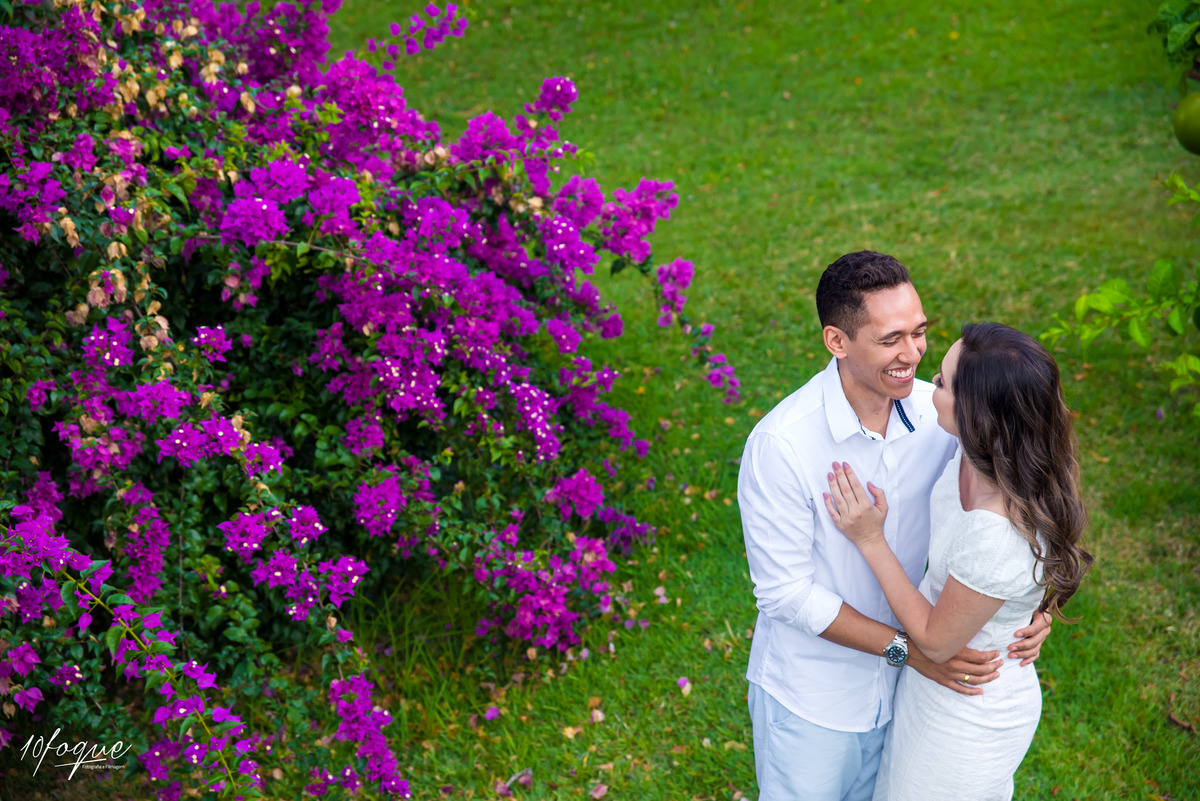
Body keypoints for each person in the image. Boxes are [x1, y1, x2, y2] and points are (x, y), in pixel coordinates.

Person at [737, 251, 1052, 800]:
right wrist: (913, 651)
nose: (912, 355)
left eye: (920, 332)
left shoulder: (943, 415)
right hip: (818, 699)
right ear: (837, 341)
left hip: (912, 698)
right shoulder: (782, 445)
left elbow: (1021, 501)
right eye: (890, 340)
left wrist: (1030, 608)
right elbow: (785, 594)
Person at [823, 322, 1092, 800]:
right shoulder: (978, 451)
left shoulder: (997, 533)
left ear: (977, 413)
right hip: (930, 690)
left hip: (969, 710)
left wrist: (870, 540)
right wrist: (1035, 607)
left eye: (942, 384)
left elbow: (935, 641)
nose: (927, 390)